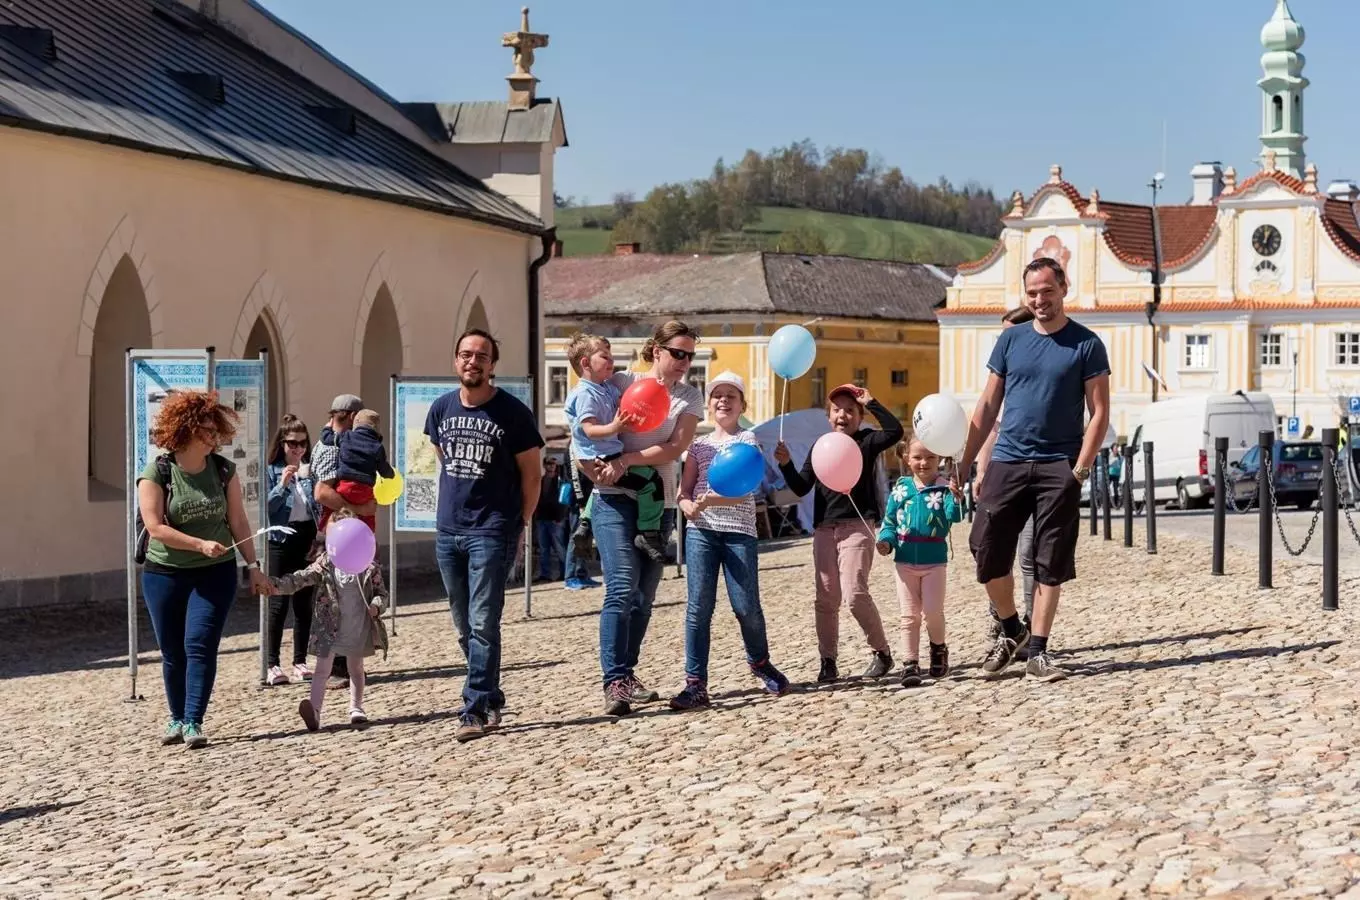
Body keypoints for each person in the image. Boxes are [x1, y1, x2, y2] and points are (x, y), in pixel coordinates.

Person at [955, 257, 1111, 682]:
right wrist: (966, 461)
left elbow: (1099, 413)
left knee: (1048, 559)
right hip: (1008, 458)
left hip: (1057, 464)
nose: (1040, 299)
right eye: (1032, 293)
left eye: (1047, 290)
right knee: (984, 547)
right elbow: (988, 405)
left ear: (1064, 288)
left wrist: (1078, 470)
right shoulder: (1010, 341)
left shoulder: (1087, 344)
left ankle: (1039, 651)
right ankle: (1011, 630)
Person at [136, 390, 273, 749]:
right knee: (172, 651)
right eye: (208, 431)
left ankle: (194, 721)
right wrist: (198, 544)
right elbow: (155, 528)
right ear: (188, 429)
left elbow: (239, 522)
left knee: (200, 644)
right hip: (164, 573)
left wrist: (254, 567)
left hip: (215, 573)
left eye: (217, 430)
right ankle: (176, 717)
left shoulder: (224, 470)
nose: (215, 438)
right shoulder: (157, 472)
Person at [425, 328, 543, 742]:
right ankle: (492, 693)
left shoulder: (513, 414)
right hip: (448, 531)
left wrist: (521, 523)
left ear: (492, 365)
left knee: (482, 621)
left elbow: (533, 475)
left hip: (493, 531)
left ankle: (473, 707)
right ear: (455, 361)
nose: (472, 362)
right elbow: (442, 456)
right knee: (463, 624)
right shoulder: (440, 410)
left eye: (481, 356)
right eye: (465, 355)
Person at [585, 320, 703, 717]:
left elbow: (675, 447)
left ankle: (627, 673)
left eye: (690, 355)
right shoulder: (619, 382)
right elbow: (583, 428)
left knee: (644, 597)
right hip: (613, 498)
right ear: (657, 351)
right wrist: (592, 467)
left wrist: (626, 459)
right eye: (678, 353)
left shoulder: (688, 397)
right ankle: (614, 680)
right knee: (620, 587)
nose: (684, 362)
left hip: (661, 502)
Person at [670, 372, 790, 710]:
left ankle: (760, 662)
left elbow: (744, 489)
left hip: (739, 534)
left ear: (742, 405)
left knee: (746, 606)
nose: (723, 400)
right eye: (717, 396)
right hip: (701, 534)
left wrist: (711, 500)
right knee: (698, 608)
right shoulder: (698, 445)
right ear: (708, 405)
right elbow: (684, 491)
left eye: (731, 396)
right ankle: (695, 683)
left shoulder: (748, 440)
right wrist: (688, 505)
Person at [775, 384, 903, 683]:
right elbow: (800, 487)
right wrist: (785, 465)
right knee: (826, 598)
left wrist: (872, 401)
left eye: (850, 410)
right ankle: (828, 661)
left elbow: (895, 432)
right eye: (836, 410)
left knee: (855, 594)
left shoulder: (867, 441)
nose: (842, 415)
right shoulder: (820, 446)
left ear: (859, 416)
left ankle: (881, 652)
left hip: (857, 526)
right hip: (824, 529)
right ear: (828, 415)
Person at [271, 509, 388, 730]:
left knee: (355, 667)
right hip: (328, 625)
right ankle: (314, 711)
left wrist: (376, 606)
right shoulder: (325, 563)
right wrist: (275, 585)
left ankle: (356, 707)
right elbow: (302, 577)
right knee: (322, 669)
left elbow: (382, 594)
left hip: (357, 625)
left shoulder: (368, 565)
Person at [563, 333, 667, 562]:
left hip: (604, 454)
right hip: (599, 455)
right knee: (651, 482)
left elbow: (626, 403)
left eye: (610, 356)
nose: (611, 361)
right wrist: (615, 426)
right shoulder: (585, 393)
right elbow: (589, 430)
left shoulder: (604, 388)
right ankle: (648, 533)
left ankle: (585, 524)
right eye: (605, 356)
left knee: (604, 483)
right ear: (585, 363)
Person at [875, 437, 963, 687]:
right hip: (904, 562)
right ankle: (910, 663)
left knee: (932, 612)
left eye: (930, 457)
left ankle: (938, 649)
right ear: (906, 458)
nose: (924, 463)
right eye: (917, 457)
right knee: (908, 616)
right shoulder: (900, 489)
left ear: (940, 459)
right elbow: (890, 522)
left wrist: (956, 499)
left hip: (934, 561)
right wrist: (886, 542)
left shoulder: (945, 488)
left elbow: (953, 518)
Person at [974, 306, 1038, 645]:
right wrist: (981, 468)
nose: (1003, 340)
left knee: (1029, 556)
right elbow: (991, 424)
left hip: (1037, 472)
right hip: (1004, 471)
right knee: (990, 548)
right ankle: (1003, 617)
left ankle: (1032, 626)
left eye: (1008, 333)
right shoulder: (1003, 371)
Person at [311, 395, 376, 692]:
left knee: (351, 598)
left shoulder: (344, 443)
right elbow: (322, 493)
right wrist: (359, 509)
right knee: (338, 599)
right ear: (350, 416)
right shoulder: (332, 447)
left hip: (351, 533)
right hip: (338, 533)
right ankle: (338, 666)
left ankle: (348, 663)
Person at [264, 414, 320, 686]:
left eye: (302, 443)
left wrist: (320, 536)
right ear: (282, 444)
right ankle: (272, 663)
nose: (298, 449)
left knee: (303, 603)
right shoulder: (271, 470)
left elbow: (317, 507)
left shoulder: (309, 471)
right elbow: (267, 508)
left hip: (305, 537)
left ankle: (300, 661)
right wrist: (282, 485)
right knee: (278, 603)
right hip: (279, 540)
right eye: (292, 443)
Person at [332, 408, 395, 533]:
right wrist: (391, 474)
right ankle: (367, 534)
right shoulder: (377, 447)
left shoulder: (347, 436)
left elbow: (330, 438)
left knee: (339, 514)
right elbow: (383, 469)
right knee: (368, 514)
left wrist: (326, 431)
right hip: (363, 490)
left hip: (343, 487)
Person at [563, 444, 600, 591]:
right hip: (579, 502)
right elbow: (575, 477)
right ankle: (570, 576)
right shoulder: (573, 447)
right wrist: (581, 503)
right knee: (576, 537)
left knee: (585, 538)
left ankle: (581, 573)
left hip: (587, 499)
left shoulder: (583, 445)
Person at [533, 457, 568, 583]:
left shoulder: (560, 481)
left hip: (556, 519)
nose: (551, 466)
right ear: (544, 465)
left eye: (553, 464)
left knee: (559, 547)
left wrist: (560, 517)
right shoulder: (540, 481)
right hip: (542, 518)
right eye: (549, 464)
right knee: (544, 548)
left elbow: (564, 501)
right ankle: (545, 574)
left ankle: (565, 573)